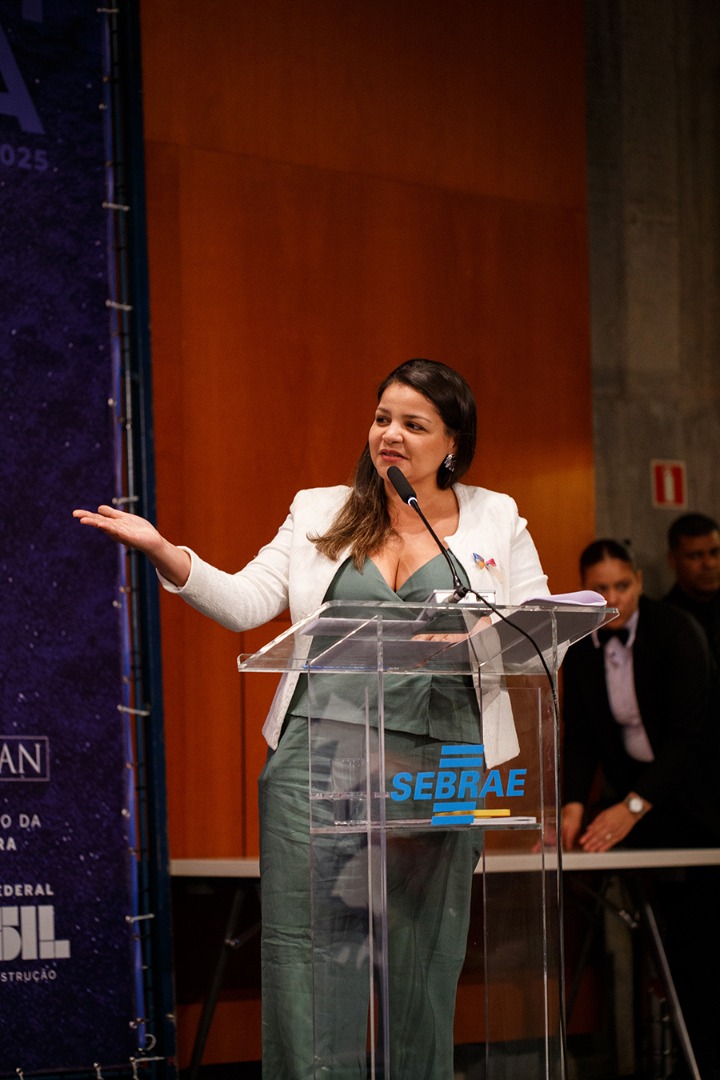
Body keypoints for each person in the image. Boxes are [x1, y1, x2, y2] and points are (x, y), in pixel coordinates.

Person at [74, 358, 549, 1080]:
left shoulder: (497, 516)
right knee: (309, 952)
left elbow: (542, 634)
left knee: (425, 953)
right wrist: (168, 555)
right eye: (382, 418)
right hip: (320, 753)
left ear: (453, 442)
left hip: (448, 753)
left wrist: (495, 631)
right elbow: (246, 603)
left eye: (414, 424)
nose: (390, 435)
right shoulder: (320, 510)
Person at [561, 538, 720, 1079]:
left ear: (640, 582)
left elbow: (688, 737)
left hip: (697, 804)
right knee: (637, 924)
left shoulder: (677, 631)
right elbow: (581, 738)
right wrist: (573, 805)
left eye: (622, 586)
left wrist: (632, 805)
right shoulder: (579, 647)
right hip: (637, 802)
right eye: (600, 588)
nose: (612, 598)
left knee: (699, 945)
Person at [663, 511, 720, 665]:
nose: (709, 564)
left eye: (715, 552)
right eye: (695, 556)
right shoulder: (664, 622)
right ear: (673, 560)